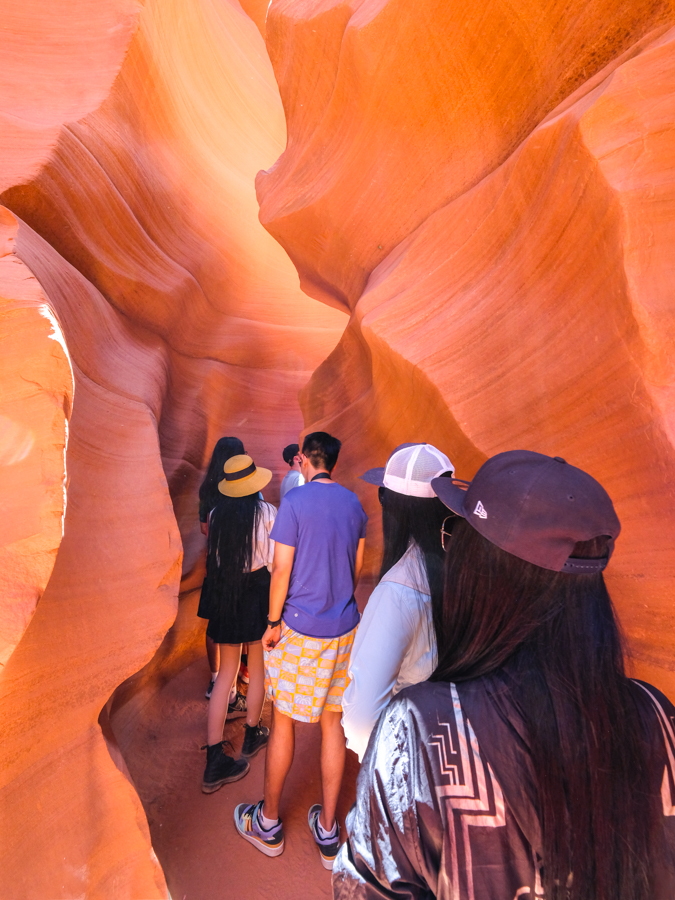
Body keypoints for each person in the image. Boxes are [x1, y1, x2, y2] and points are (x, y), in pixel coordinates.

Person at [334, 450, 675, 899]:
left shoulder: (416, 733)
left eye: (459, 537)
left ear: (484, 571)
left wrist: (385, 759)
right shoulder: (657, 717)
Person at [234, 432, 367, 869]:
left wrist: (273, 624)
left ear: (305, 459)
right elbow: (356, 569)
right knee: (333, 724)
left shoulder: (294, 504)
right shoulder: (354, 506)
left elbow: (281, 570)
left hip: (300, 631)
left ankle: (268, 824)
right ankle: (329, 831)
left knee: (285, 720)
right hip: (343, 630)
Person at [342, 443, 454, 761]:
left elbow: (362, 721)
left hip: (413, 762)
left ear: (390, 507)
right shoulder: (460, 566)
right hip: (450, 745)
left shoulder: (398, 591)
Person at [201, 454, 277, 793]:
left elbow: (215, 558)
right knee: (257, 667)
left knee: (226, 673)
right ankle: (252, 732)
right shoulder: (268, 514)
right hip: (258, 592)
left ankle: (214, 756)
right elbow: (276, 562)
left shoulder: (216, 515)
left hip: (226, 592)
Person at [198, 436, 245, 700]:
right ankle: (235, 679)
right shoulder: (242, 485)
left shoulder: (207, 489)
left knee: (215, 623)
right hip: (241, 563)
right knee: (238, 623)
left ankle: (215, 679)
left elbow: (204, 528)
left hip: (215, 563)